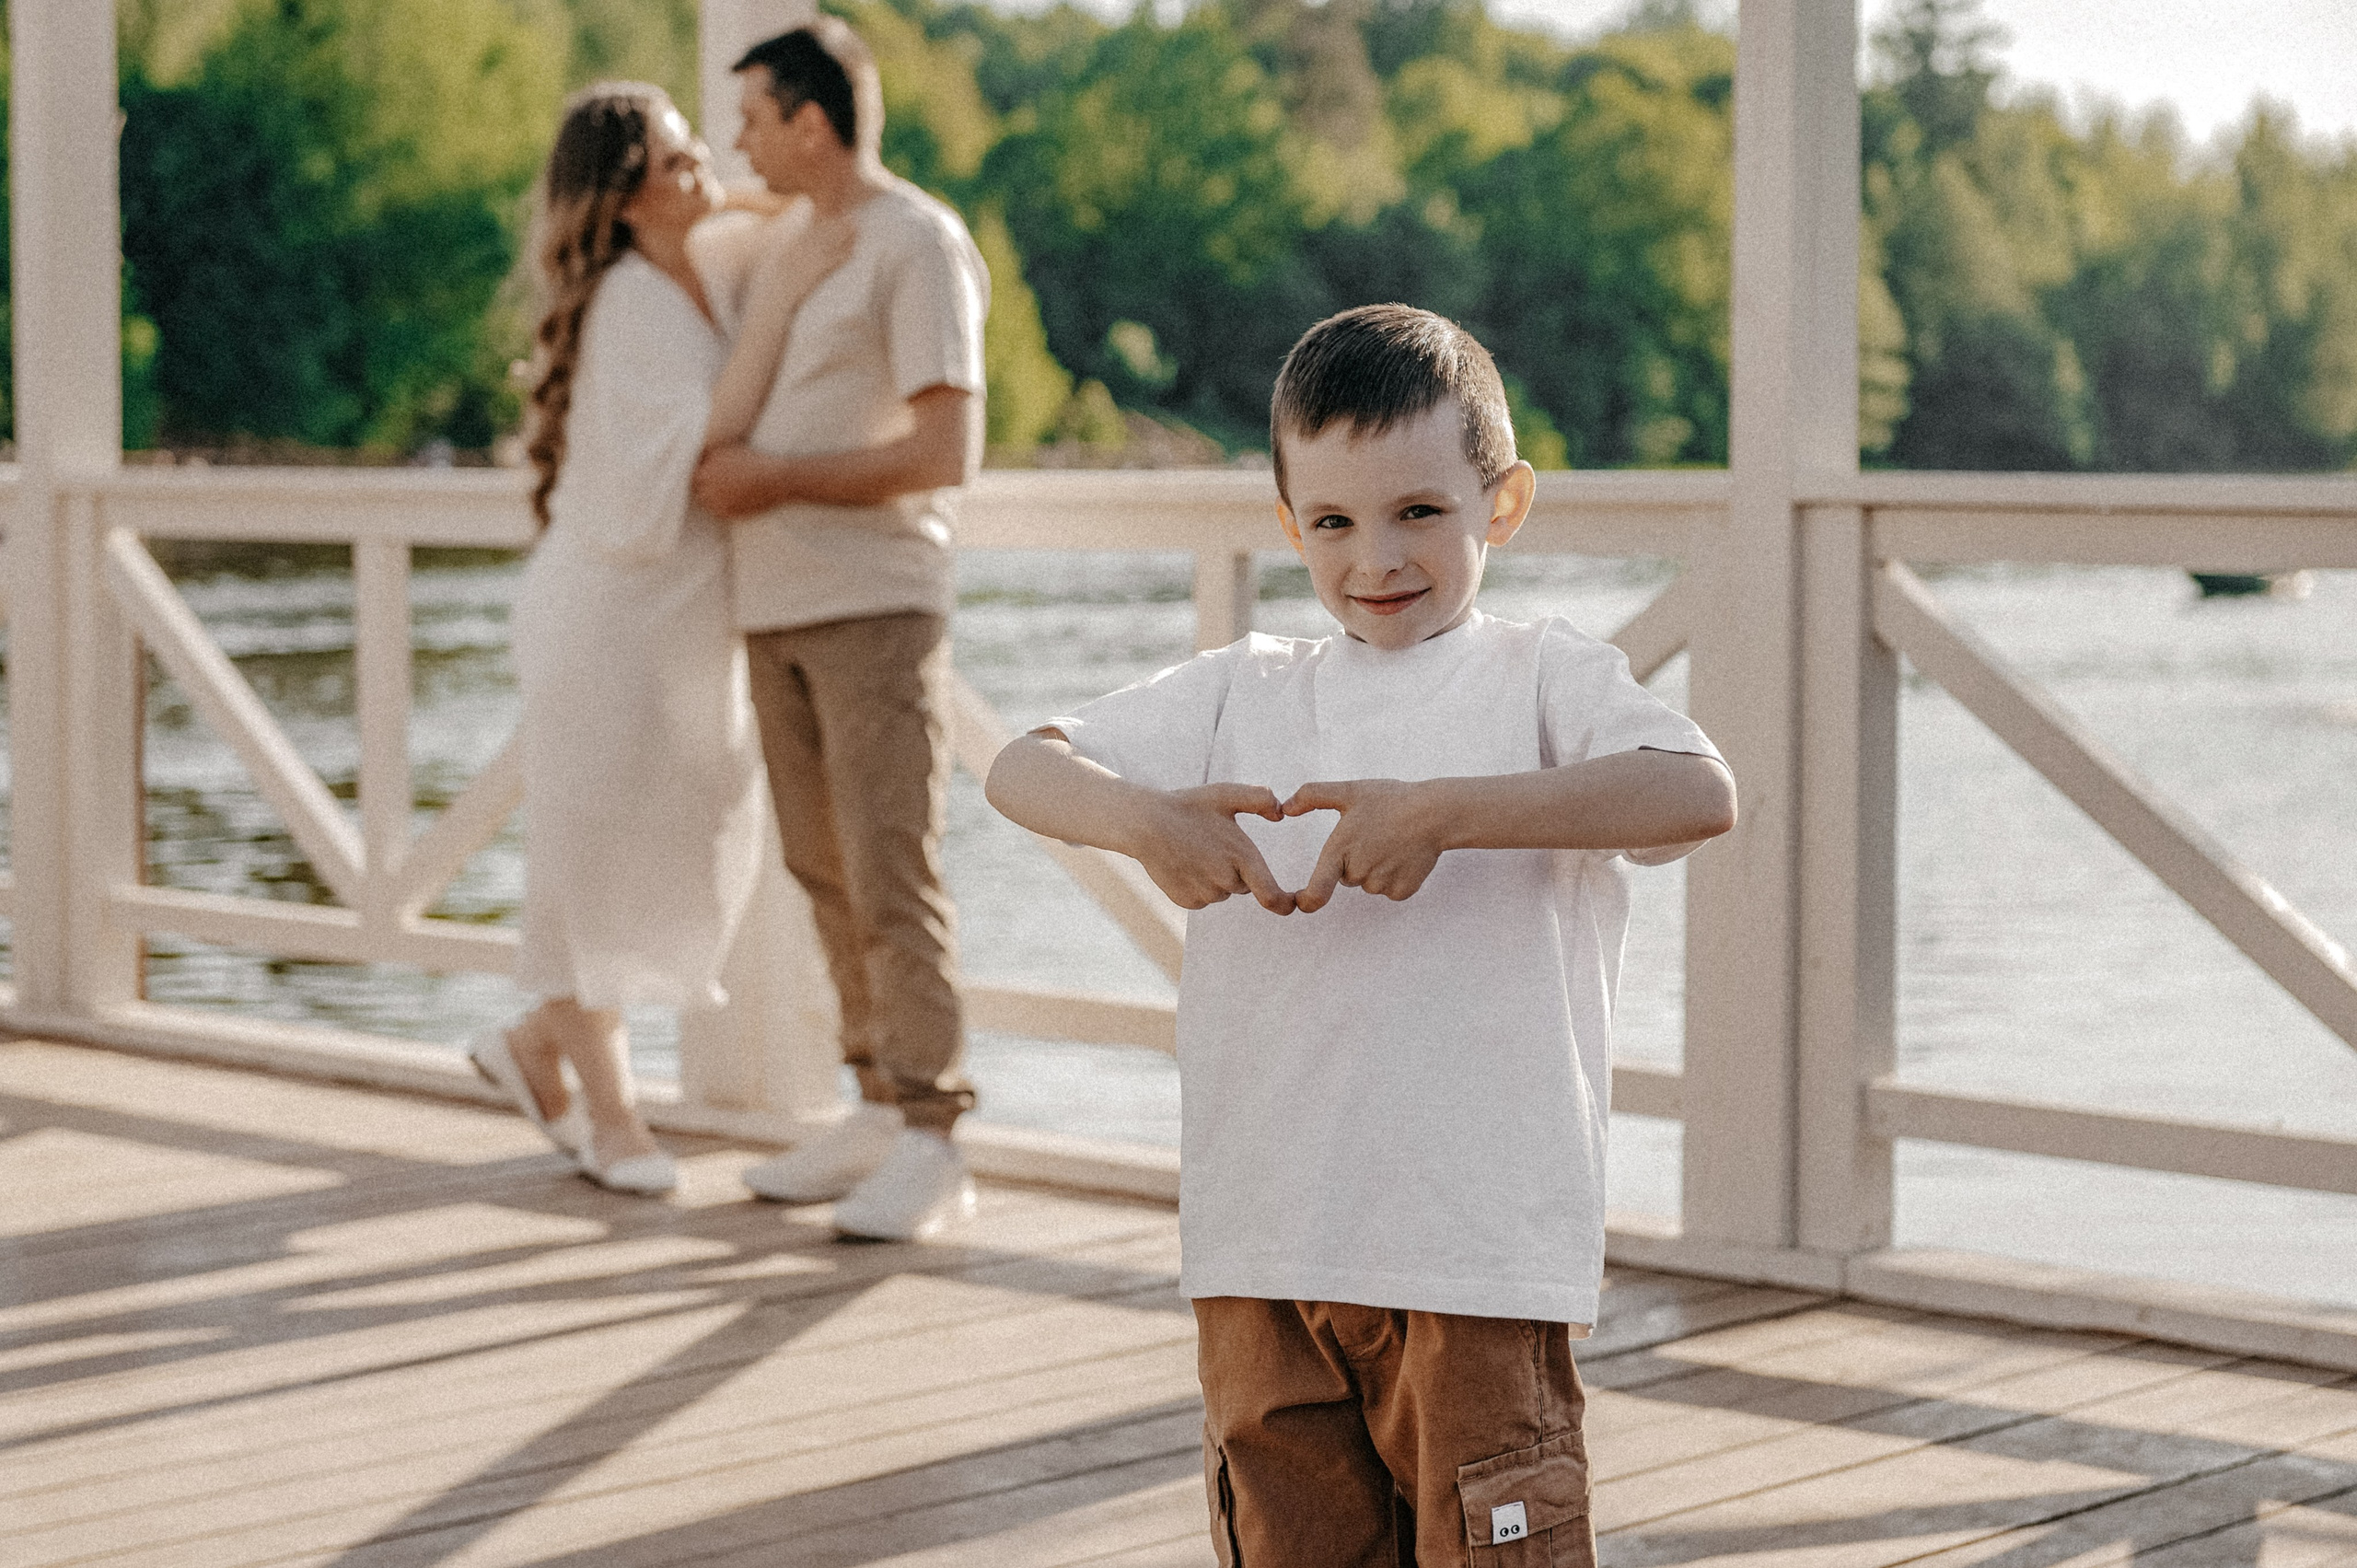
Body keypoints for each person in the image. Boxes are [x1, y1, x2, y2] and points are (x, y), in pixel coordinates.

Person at [982, 305, 1738, 1566]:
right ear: (1288, 525)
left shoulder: (1544, 678)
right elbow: (1020, 765)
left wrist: (1446, 814)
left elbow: (1696, 792)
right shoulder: (1242, 689)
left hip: (1475, 1258)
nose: (1375, 556)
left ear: (1503, 502)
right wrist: (1145, 822)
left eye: (1419, 512)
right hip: (1264, 1250)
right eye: (1331, 521)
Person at [471, 83, 847, 1196]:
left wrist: (717, 194)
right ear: (624, 198)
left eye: (699, 156)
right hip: (606, 616)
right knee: (586, 859)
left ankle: (534, 1045)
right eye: (679, 162)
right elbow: (710, 442)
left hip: (681, 619)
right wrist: (773, 318)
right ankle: (616, 1115)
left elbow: (788, 213)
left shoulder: (708, 259)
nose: (706, 175)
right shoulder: (631, 301)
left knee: (680, 843)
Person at [689, 19, 992, 1243]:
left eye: (754, 116)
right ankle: (875, 1100)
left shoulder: (916, 242)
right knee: (823, 867)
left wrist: (775, 479)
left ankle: (935, 1131)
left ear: (810, 120)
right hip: (777, 605)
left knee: (889, 864)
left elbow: (942, 452)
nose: (739, 140)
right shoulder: (795, 246)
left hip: (873, 600)